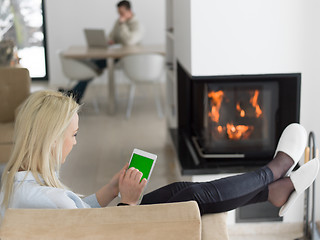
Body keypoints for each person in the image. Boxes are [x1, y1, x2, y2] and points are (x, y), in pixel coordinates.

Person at [0, 90, 319, 218]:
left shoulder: (14, 181)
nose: (76, 143)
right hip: (121, 232)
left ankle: (273, 189)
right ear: (50, 140)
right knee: (197, 198)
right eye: (73, 135)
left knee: (183, 190)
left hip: (102, 226)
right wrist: (128, 202)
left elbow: (76, 216)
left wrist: (110, 190)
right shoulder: (48, 200)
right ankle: (276, 170)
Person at [59, 1, 143, 104]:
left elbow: (129, 41)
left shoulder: (136, 24)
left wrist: (122, 24)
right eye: (118, 13)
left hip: (128, 59)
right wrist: (109, 40)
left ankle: (74, 94)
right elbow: (112, 35)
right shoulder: (119, 21)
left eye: (121, 13)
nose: (119, 16)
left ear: (129, 11)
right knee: (93, 64)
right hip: (115, 55)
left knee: (93, 65)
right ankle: (75, 94)